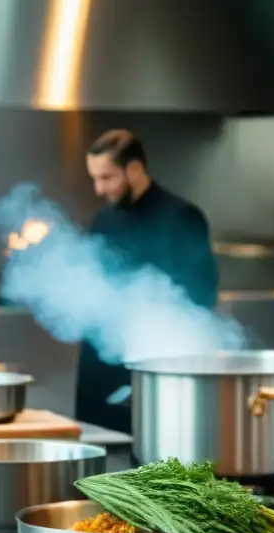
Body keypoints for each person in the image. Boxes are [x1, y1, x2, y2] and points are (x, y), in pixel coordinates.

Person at [75, 130, 218, 433]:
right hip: (100, 366)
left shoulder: (182, 217)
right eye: (95, 178)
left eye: (107, 177)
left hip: (151, 367)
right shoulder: (104, 221)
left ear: (135, 168)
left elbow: (201, 295)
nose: (99, 188)